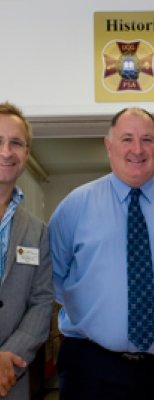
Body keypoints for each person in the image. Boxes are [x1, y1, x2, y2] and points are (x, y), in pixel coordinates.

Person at [49, 107, 154, 400]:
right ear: (108, 146)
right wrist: (98, 313)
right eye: (127, 139)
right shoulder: (74, 207)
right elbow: (52, 278)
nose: (137, 149)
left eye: (147, 139)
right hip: (90, 367)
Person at [0, 102, 53, 399]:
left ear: (26, 154)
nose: (7, 152)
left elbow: (41, 301)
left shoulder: (38, 231)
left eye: (16, 143)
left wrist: (8, 358)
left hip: (10, 379)